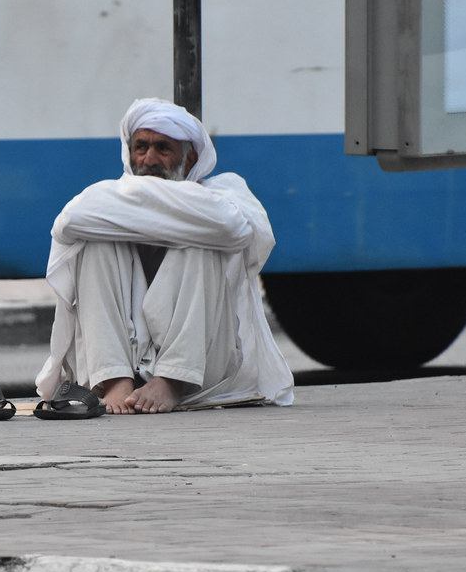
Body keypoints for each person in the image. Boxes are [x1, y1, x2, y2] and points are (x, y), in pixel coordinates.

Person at [35, 97, 294, 414]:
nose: (149, 158)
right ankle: (115, 378)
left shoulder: (224, 193)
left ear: (190, 158)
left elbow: (232, 228)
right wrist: (165, 209)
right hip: (119, 360)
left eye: (163, 148)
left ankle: (172, 379)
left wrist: (142, 207)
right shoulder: (106, 195)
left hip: (200, 367)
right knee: (95, 243)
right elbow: (69, 223)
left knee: (202, 242)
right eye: (141, 147)